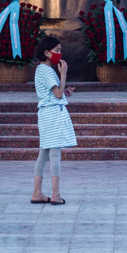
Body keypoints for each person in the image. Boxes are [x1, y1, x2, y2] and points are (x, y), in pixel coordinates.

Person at [31, 35, 76, 205]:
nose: (59, 53)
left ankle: (37, 192)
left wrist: (65, 91)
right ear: (46, 53)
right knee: (54, 154)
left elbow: (55, 92)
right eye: (56, 51)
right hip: (52, 115)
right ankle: (55, 194)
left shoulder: (41, 70)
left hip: (46, 113)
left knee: (44, 154)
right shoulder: (47, 70)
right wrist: (63, 74)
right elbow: (56, 94)